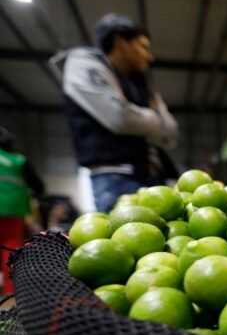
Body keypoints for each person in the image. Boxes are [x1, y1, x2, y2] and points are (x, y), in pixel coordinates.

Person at [55, 13, 179, 212]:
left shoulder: (141, 84)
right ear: (121, 42)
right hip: (116, 179)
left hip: (153, 176)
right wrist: (155, 118)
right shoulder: (84, 64)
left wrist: (139, 117)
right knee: (125, 238)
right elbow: (120, 118)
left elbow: (171, 133)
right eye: (143, 47)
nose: (150, 56)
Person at [0, 127, 45, 295]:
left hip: (12, 210)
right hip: (13, 209)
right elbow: (39, 187)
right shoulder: (19, 160)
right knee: (10, 248)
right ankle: (11, 292)